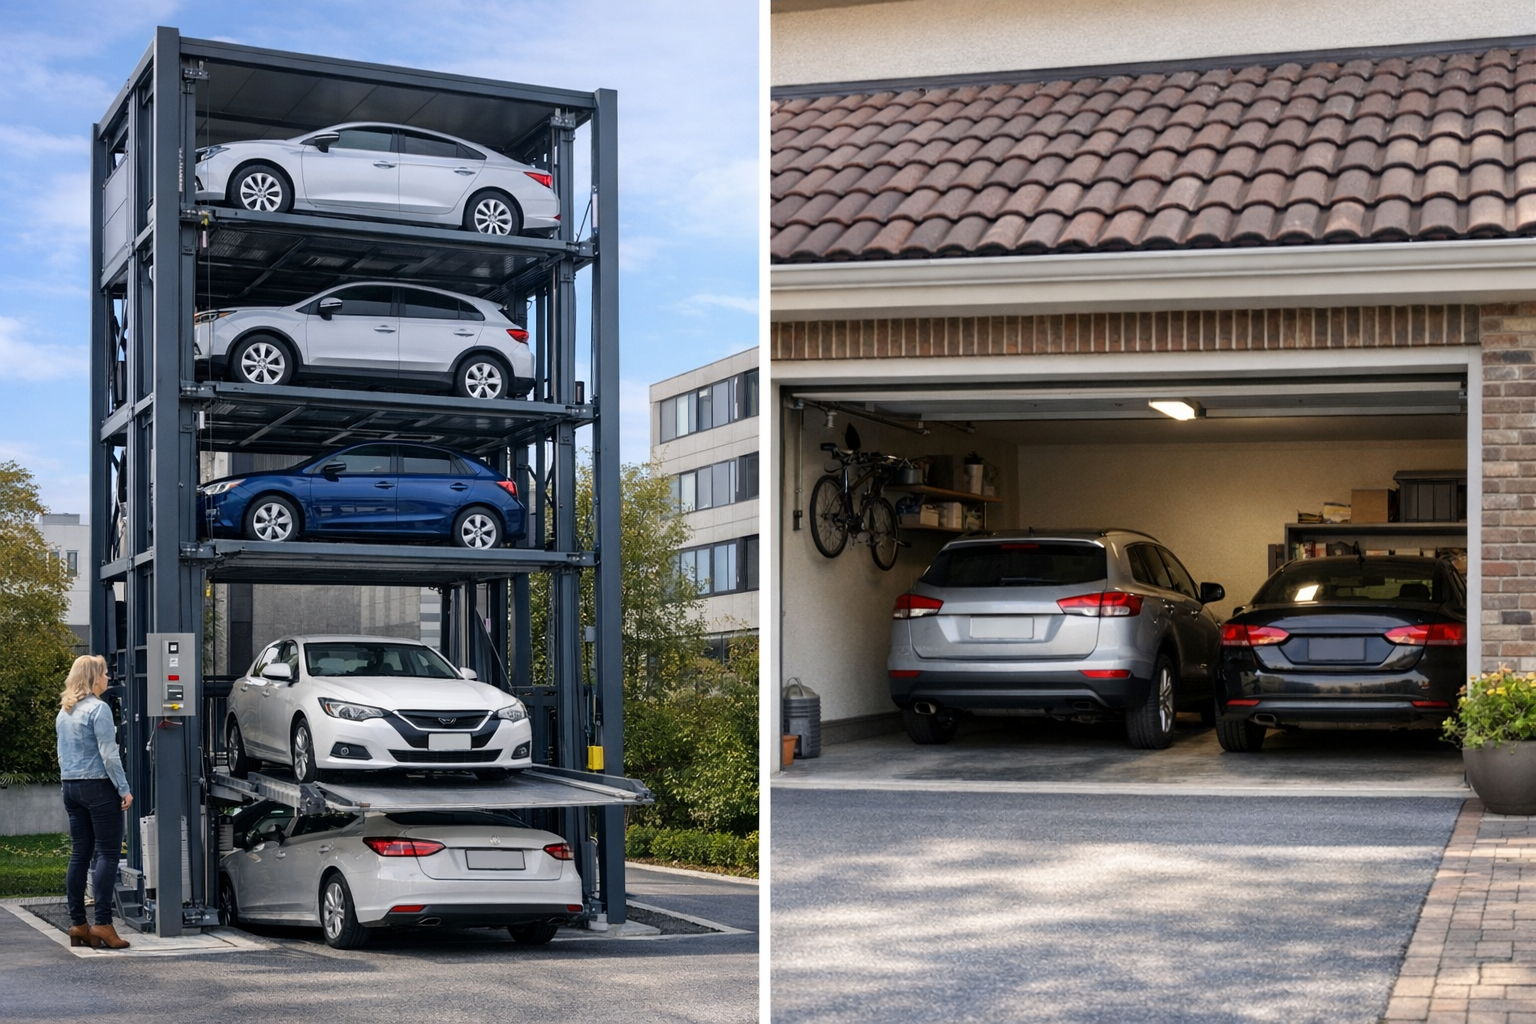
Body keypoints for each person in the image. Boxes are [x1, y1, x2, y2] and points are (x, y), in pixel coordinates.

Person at [56, 655, 133, 950]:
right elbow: (109, 756)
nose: (108, 678)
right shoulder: (99, 709)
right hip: (98, 787)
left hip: (70, 787)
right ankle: (102, 923)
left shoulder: (64, 712)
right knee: (108, 854)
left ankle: (78, 923)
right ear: (93, 677)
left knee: (80, 854)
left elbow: (62, 755)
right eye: (104, 673)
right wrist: (124, 789)